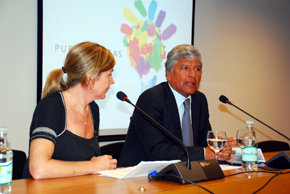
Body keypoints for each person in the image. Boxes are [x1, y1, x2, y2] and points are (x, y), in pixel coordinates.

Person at [119, 44, 235, 167]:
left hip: (186, 173)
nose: (193, 75)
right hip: (142, 175)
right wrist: (204, 153)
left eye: (197, 69)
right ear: (169, 74)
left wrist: (218, 148)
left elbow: (204, 143)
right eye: (185, 68)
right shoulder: (151, 99)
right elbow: (156, 151)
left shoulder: (199, 100)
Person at [23, 42, 117, 179]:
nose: (112, 81)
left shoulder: (93, 109)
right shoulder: (52, 106)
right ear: (90, 78)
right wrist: (93, 166)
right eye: (109, 75)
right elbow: (38, 169)